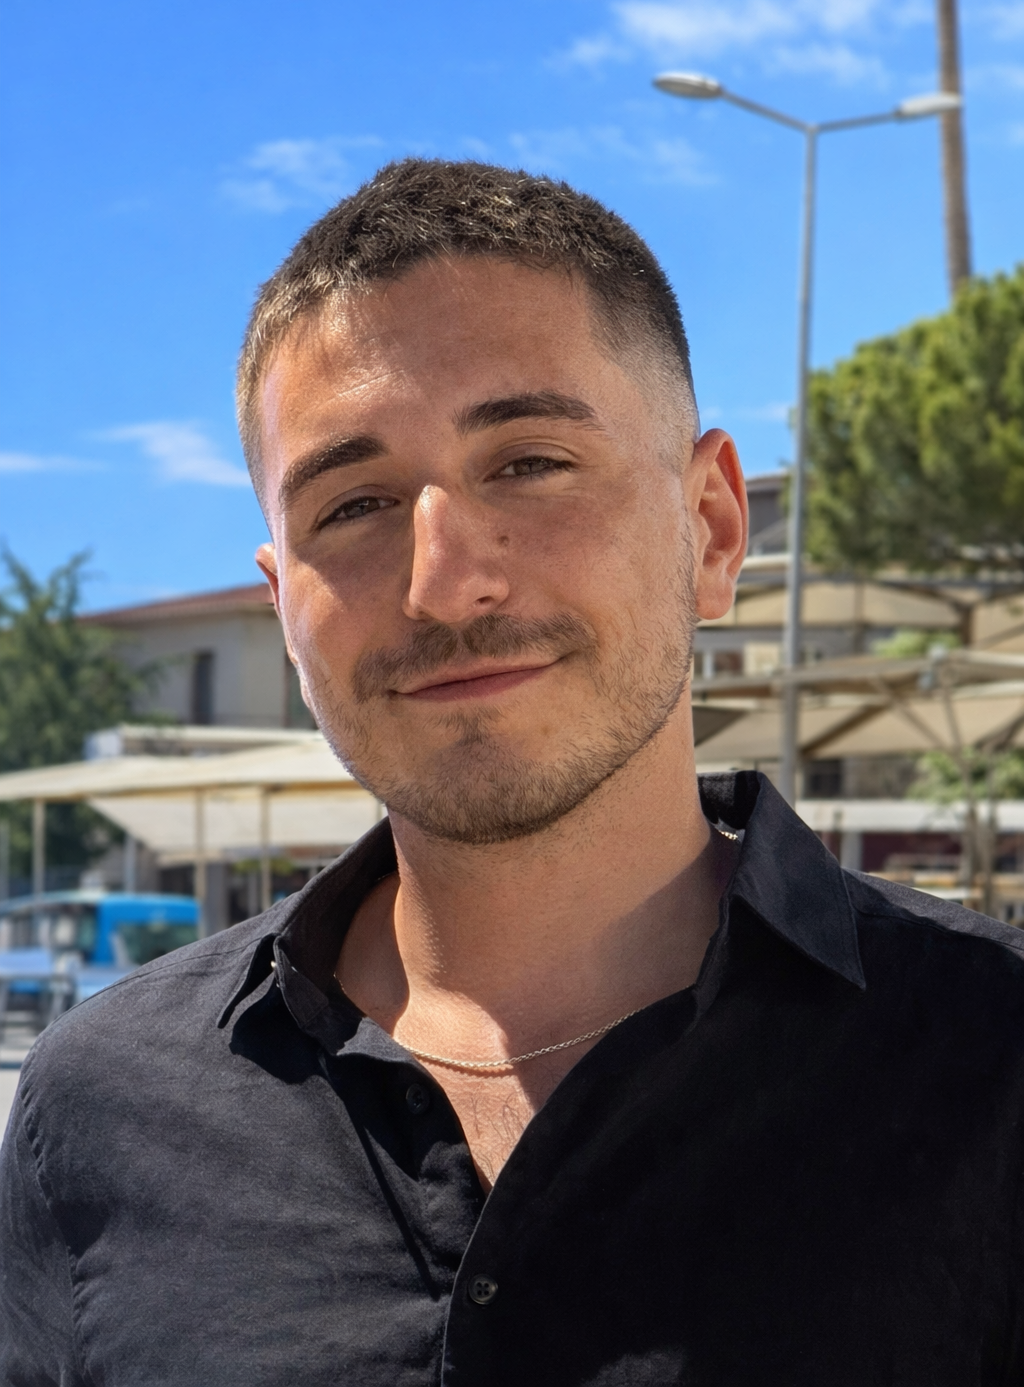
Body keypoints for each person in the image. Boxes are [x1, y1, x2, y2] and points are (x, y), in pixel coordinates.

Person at [1, 160, 1022, 1387]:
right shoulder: (101, 1108)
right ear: (285, 609)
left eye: (528, 463)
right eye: (355, 502)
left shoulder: (994, 1059)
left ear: (709, 530)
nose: (445, 580)